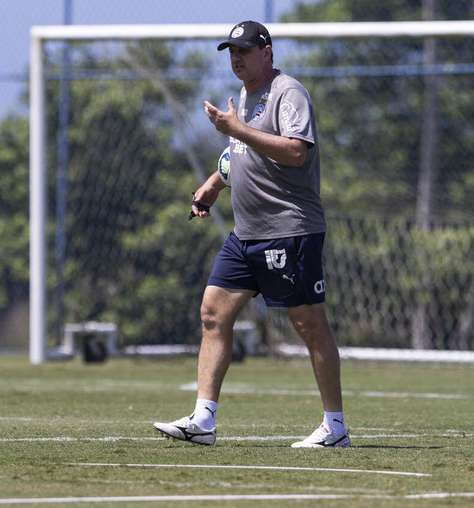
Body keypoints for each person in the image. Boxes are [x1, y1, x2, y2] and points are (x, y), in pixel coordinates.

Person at [154, 21, 349, 448]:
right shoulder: (245, 96)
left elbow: (295, 152)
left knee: (309, 324)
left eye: (244, 50)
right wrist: (214, 183)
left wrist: (236, 129)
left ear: (267, 52)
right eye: (232, 51)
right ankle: (203, 419)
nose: (236, 58)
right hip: (246, 234)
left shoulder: (288, 92)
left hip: (289, 229)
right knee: (212, 313)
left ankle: (334, 426)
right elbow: (243, 152)